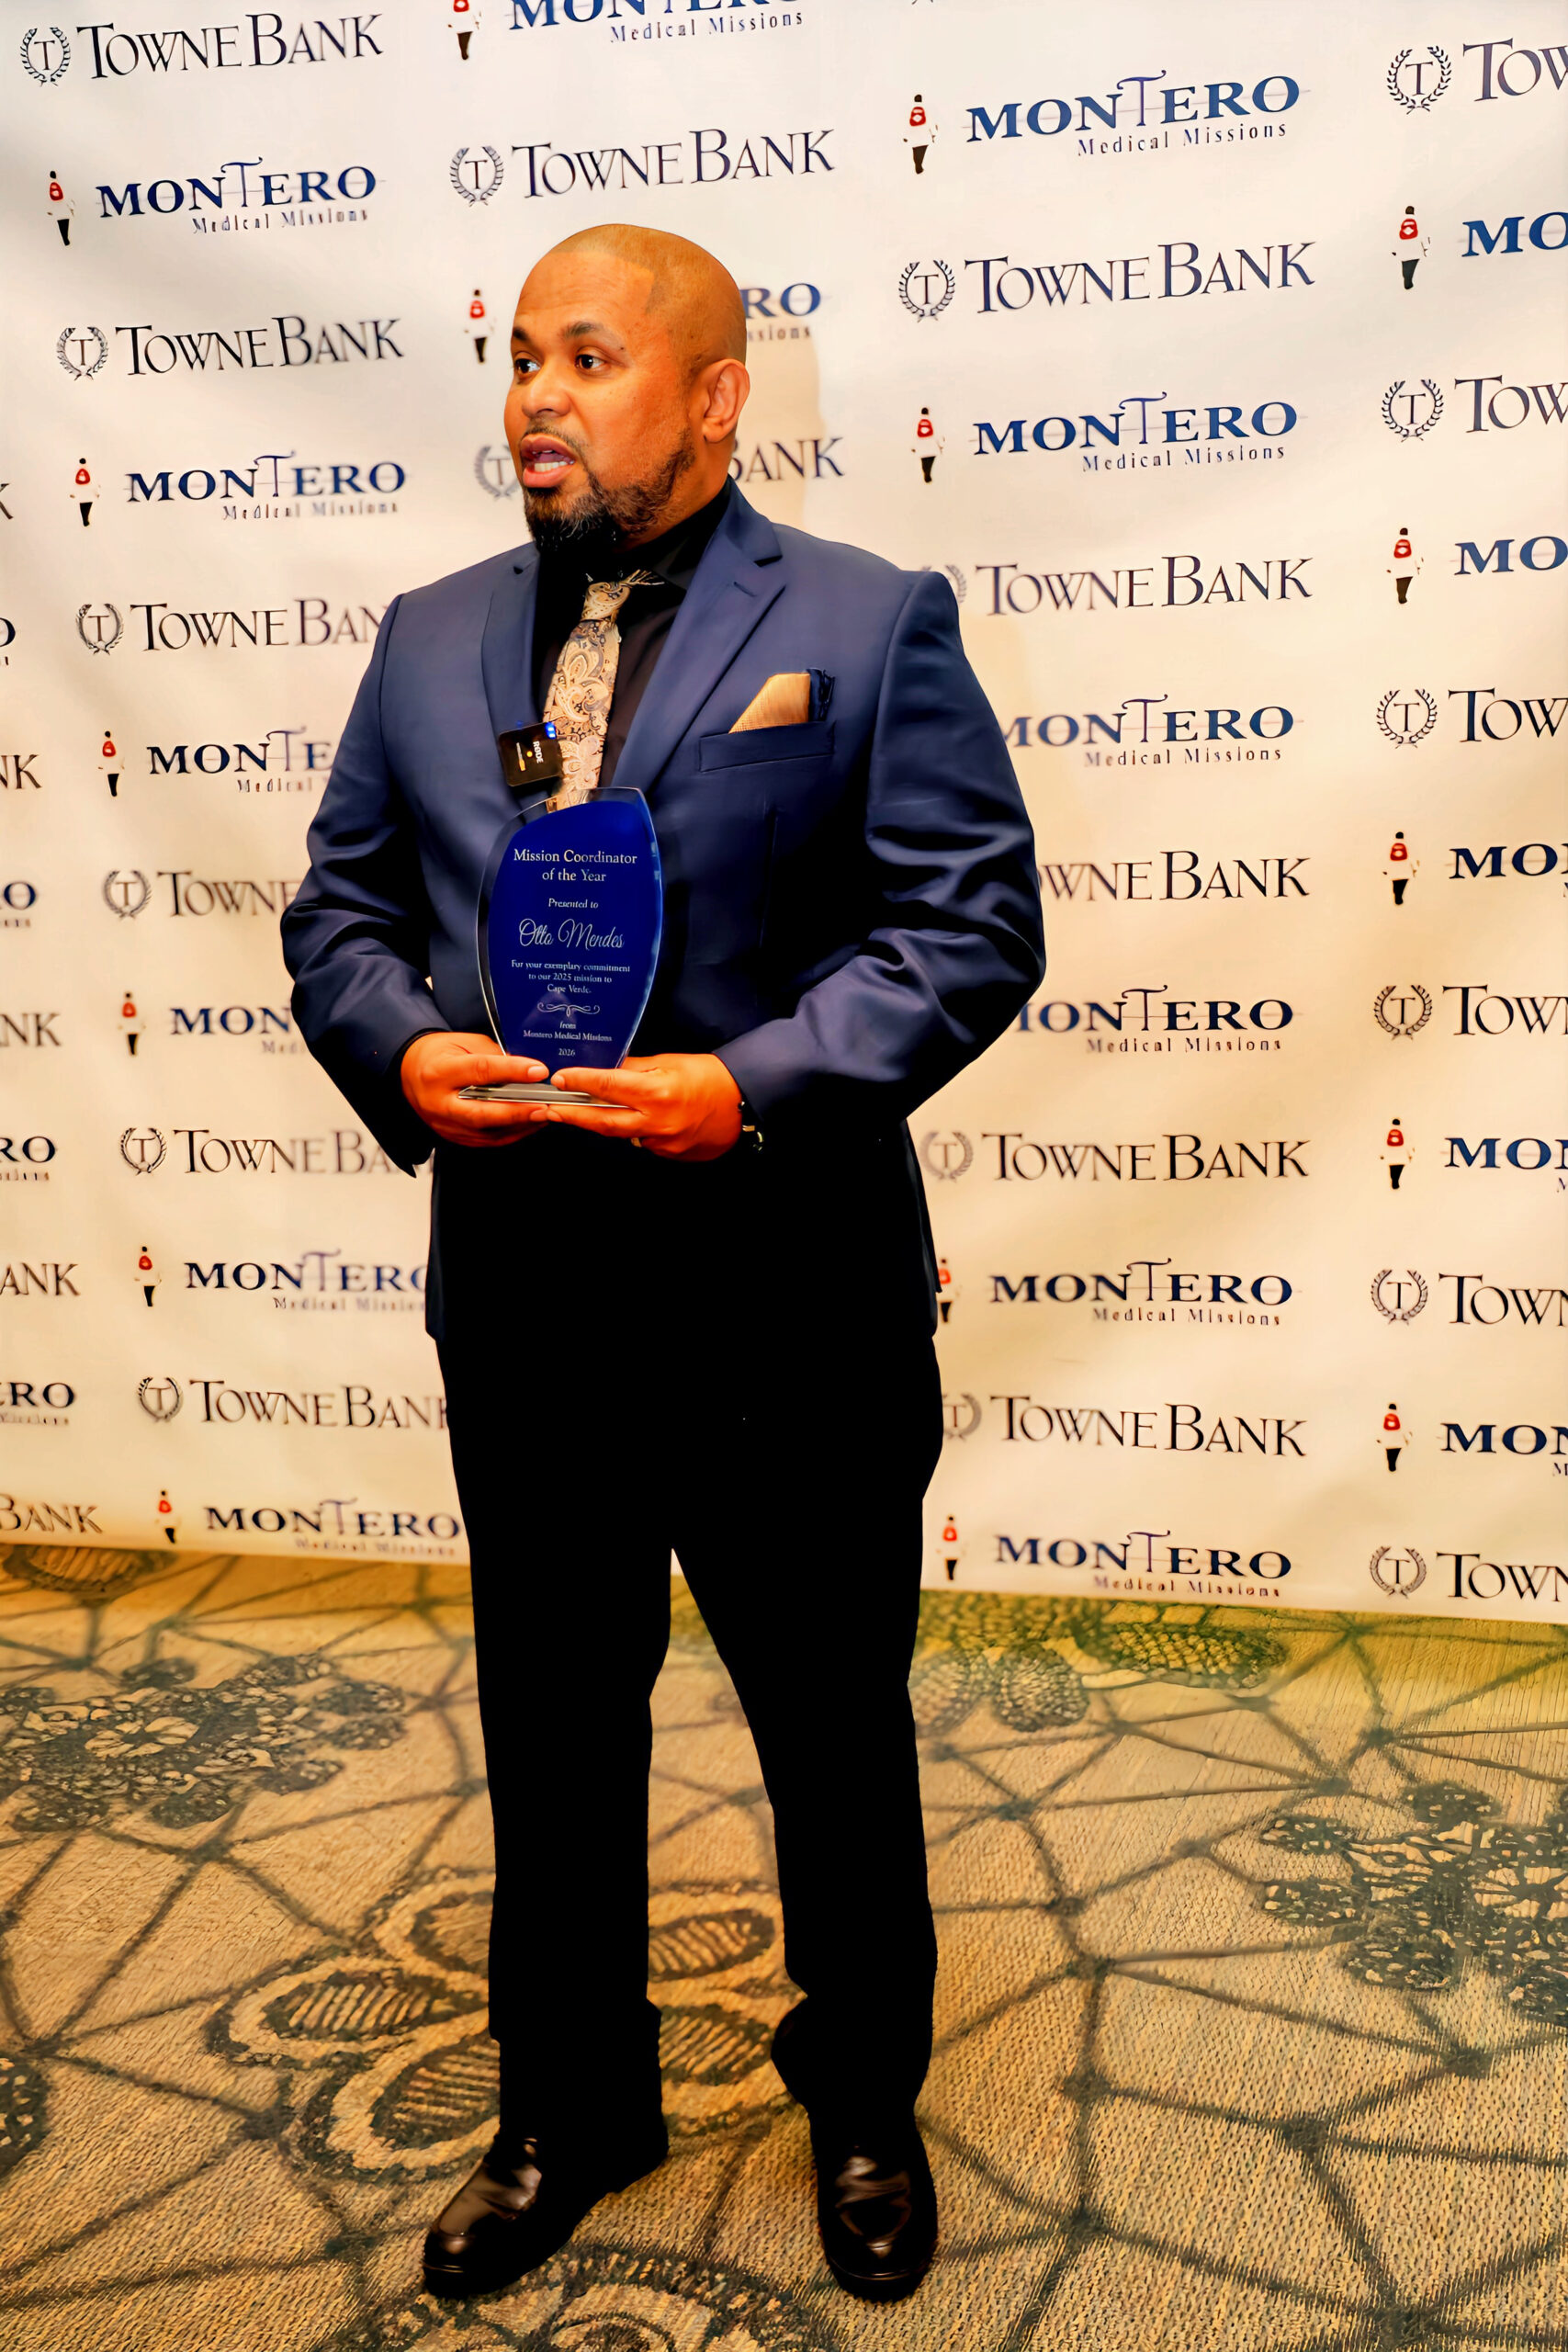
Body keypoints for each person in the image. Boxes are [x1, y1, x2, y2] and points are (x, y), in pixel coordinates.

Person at [283, 222, 1043, 2310]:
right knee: (548, 1724)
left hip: (784, 1299)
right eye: (519, 355)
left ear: (712, 397)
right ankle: (569, 2103)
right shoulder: (426, 635)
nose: (534, 394)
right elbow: (339, 913)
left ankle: (860, 2089)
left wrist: (753, 1085)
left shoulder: (866, 620)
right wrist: (397, 1044)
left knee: (830, 1721)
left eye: (588, 357)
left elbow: (967, 925)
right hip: (526, 1303)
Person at [1393, 204, 1427, 290]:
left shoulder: (1400, 221)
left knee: (1406, 268)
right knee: (1411, 268)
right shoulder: (1418, 221)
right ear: (1413, 212)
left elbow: (1396, 236)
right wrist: (1426, 247)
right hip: (1415, 249)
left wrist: (1394, 249)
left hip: (1403, 251)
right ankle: (1408, 282)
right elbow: (1423, 235)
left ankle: (1407, 280)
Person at [1388, 526, 1421, 604]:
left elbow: (1390, 555)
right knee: (1405, 583)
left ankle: (1401, 595)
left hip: (1398, 567)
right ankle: (1403, 596)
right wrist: (1419, 565)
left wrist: (1389, 567)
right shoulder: (1412, 541)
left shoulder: (1395, 542)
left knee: (1399, 583)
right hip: (1410, 567)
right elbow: (1416, 555)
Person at [904, 94, 935, 174]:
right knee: (921, 152)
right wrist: (933, 133)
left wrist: (905, 136)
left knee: (915, 152)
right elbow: (931, 122)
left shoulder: (910, 110)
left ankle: (918, 165)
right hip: (925, 136)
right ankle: (919, 165)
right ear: (921, 100)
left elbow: (907, 124)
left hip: (914, 136)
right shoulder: (926, 110)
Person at [913, 406, 942, 483]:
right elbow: (937, 434)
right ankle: (927, 473)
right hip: (932, 446)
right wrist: (941, 445)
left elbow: (914, 435)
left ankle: (926, 473)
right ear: (928, 412)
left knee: (924, 463)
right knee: (930, 463)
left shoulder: (917, 421)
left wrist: (913, 447)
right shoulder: (932, 421)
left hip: (921, 447)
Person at [465, 288, 489, 363]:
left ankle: (480, 355)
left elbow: (468, 316)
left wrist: (467, 327)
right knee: (482, 342)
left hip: (475, 327)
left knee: (477, 342)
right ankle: (481, 354)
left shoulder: (470, 303)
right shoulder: (483, 302)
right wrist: (491, 326)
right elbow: (488, 315)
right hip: (483, 326)